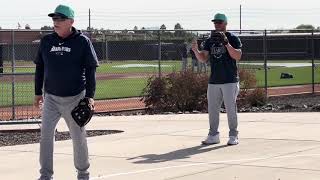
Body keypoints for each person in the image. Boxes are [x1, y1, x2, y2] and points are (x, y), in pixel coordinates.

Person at [34, 4, 99, 180]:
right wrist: (37, 93)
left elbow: (91, 69)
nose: (56, 22)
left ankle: (83, 174)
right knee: (45, 137)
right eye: (54, 18)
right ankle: (45, 176)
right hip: (51, 98)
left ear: (70, 21)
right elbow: (40, 67)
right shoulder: (46, 41)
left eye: (60, 19)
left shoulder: (82, 42)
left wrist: (90, 97)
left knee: (78, 138)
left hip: (75, 98)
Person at [191, 13, 242, 146]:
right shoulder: (210, 40)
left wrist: (226, 43)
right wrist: (196, 51)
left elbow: (237, 56)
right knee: (213, 109)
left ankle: (233, 135)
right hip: (214, 80)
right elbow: (204, 58)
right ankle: (213, 135)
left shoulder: (233, 38)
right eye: (215, 22)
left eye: (219, 22)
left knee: (231, 109)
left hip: (230, 80)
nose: (217, 25)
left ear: (225, 23)